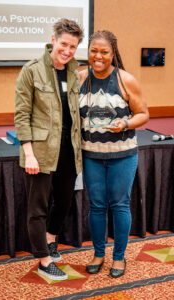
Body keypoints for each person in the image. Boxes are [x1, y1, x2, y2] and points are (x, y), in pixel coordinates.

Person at [14, 19, 83, 281]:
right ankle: (43, 261)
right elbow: (22, 115)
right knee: (38, 208)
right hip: (40, 151)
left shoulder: (74, 73)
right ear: (53, 40)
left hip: (68, 150)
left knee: (64, 201)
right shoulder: (31, 71)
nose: (67, 51)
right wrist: (28, 153)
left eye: (73, 47)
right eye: (64, 44)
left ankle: (51, 239)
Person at [79, 30, 149, 278]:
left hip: (122, 155)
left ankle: (119, 258)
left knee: (119, 205)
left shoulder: (125, 80)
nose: (98, 56)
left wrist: (126, 124)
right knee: (96, 206)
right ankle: (99, 254)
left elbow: (143, 113)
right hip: (91, 155)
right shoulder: (79, 78)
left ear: (113, 53)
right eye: (94, 51)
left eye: (104, 52)